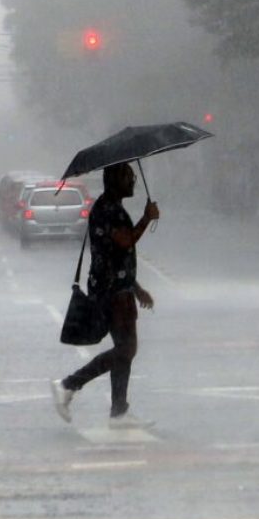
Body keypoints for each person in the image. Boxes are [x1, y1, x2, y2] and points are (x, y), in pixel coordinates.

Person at [51, 162, 160, 427]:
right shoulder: (107, 210)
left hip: (118, 288)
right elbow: (125, 241)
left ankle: (119, 412)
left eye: (133, 177)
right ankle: (69, 385)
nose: (132, 181)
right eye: (128, 177)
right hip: (112, 292)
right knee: (127, 349)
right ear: (114, 180)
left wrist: (136, 288)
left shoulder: (111, 207)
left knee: (125, 349)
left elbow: (117, 255)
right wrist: (147, 218)